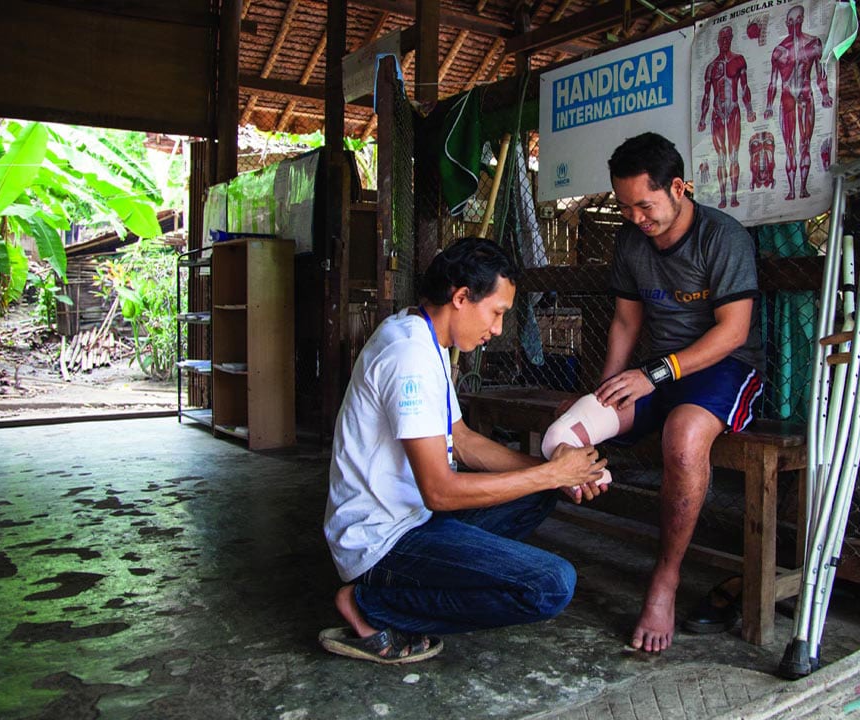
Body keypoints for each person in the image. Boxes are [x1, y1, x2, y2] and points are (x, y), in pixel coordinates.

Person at [319, 237, 609, 665]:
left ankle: (416, 585)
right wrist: (552, 474)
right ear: (460, 298)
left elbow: (465, 440)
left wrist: (558, 472)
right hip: (380, 543)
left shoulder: (423, 336)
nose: (496, 329)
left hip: (414, 519)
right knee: (551, 585)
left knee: (542, 488)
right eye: (496, 313)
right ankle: (370, 604)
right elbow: (440, 490)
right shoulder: (409, 356)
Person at [549, 132, 764, 653]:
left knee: (684, 436)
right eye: (625, 208)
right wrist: (607, 387)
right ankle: (565, 502)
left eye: (644, 206)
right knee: (568, 425)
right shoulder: (630, 241)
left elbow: (733, 332)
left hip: (723, 368)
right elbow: (626, 319)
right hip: (655, 371)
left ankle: (664, 581)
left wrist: (655, 375)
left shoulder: (723, 236)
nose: (635, 219)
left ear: (679, 187)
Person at [764, 4, 833, 200]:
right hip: (786, 97)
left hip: (805, 95)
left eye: (799, 20)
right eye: (791, 21)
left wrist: (825, 94)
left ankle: (802, 188)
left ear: (803, 20)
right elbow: (773, 82)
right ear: (787, 23)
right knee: (789, 148)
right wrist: (769, 104)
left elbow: (821, 74)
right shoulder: (779, 51)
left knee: (805, 144)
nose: (795, 25)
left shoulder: (813, 44)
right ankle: (792, 190)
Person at [697, 25, 757, 208]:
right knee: (721, 156)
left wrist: (749, 110)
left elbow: (744, 87)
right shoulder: (711, 67)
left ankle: (734, 196)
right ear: (717, 41)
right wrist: (702, 117)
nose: (724, 42)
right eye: (721, 39)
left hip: (733, 111)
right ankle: (723, 197)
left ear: (731, 39)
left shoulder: (738, 61)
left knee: (734, 155)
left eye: (727, 38)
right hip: (717, 113)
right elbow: (707, 95)